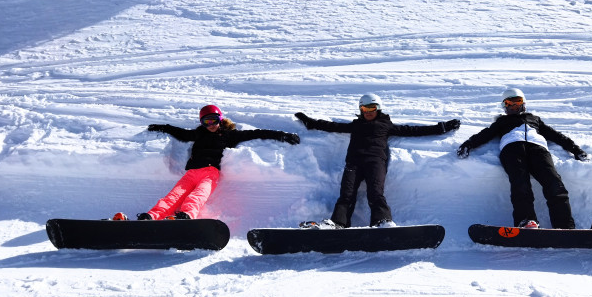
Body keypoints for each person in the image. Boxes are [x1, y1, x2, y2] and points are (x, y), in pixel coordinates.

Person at [294, 93, 461, 228]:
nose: (368, 112)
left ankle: (381, 222)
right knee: (346, 195)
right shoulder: (355, 125)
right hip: (354, 163)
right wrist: (310, 122)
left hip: (375, 163)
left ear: (378, 108)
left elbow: (414, 130)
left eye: (372, 108)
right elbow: (332, 126)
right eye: (364, 108)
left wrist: (441, 128)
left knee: (375, 194)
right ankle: (338, 223)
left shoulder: (386, 125)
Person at [112, 105, 300, 221]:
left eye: (214, 121)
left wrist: (282, 135)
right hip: (191, 173)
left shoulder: (229, 135)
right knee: (173, 196)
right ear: (202, 123)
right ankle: (152, 216)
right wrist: (163, 127)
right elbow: (181, 133)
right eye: (206, 122)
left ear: (220, 119)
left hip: (210, 173)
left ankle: (186, 216)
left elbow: (257, 133)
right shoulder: (198, 134)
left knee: (198, 196)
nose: (211, 125)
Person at [456, 88, 588, 229]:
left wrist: (575, 149)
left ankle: (564, 226)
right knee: (520, 183)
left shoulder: (534, 119)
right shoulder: (502, 122)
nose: (514, 106)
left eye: (517, 102)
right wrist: (468, 144)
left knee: (554, 183)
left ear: (524, 103)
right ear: (504, 106)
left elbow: (556, 135)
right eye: (509, 104)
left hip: (538, 150)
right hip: (512, 149)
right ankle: (526, 221)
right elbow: (485, 134)